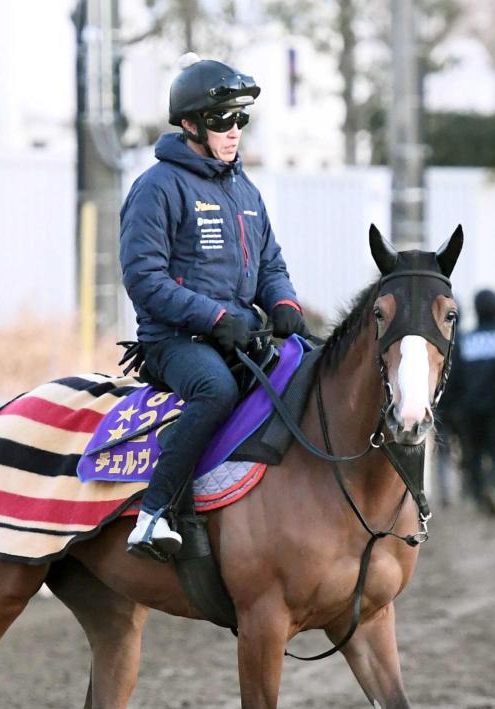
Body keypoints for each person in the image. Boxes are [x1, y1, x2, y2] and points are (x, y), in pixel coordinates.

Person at [120, 54, 309, 556]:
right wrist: (216, 317)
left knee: (311, 368)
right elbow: (144, 279)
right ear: (189, 124)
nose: (234, 131)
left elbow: (270, 263)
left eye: (241, 119)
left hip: (238, 333)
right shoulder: (156, 188)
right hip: (174, 342)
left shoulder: (245, 189)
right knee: (216, 390)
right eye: (222, 120)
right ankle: (153, 514)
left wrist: (284, 301)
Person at [449, 289, 495, 512]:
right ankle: (494, 485)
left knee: (473, 455)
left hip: (469, 408)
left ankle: (479, 494)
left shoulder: (465, 340)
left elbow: (454, 377)